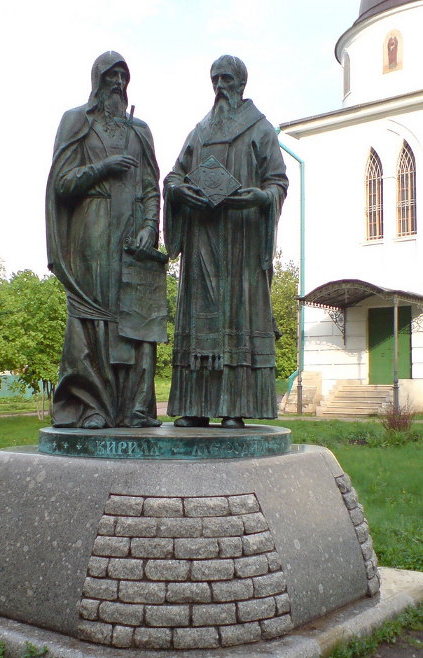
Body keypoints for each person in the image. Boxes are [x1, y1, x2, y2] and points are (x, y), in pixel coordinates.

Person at [163, 55, 288, 428]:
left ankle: (235, 407)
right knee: (199, 323)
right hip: (201, 239)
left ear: (241, 84)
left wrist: (260, 197)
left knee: (237, 319)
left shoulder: (259, 129)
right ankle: (195, 407)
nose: (220, 86)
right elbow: (174, 175)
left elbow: (277, 181)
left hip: (241, 240)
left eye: (227, 79)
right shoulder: (199, 132)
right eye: (215, 79)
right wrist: (179, 191)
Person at [46, 51, 166, 429]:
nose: (118, 83)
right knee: (91, 317)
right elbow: (62, 184)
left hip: (132, 235)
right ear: (97, 80)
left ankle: (135, 408)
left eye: (123, 76)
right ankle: (92, 406)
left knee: (137, 319)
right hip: (92, 232)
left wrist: (150, 226)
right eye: (111, 76)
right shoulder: (76, 121)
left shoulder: (139, 130)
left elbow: (151, 186)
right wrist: (103, 167)